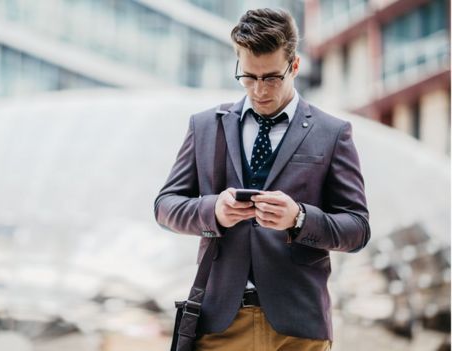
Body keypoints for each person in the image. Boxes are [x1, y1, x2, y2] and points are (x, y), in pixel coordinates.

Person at [154, 8, 370, 351]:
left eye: (271, 78)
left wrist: (298, 218)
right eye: (248, 77)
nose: (258, 90)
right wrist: (214, 212)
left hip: (298, 325)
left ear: (294, 66)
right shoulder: (205, 126)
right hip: (218, 321)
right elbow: (165, 207)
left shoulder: (333, 133)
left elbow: (357, 229)